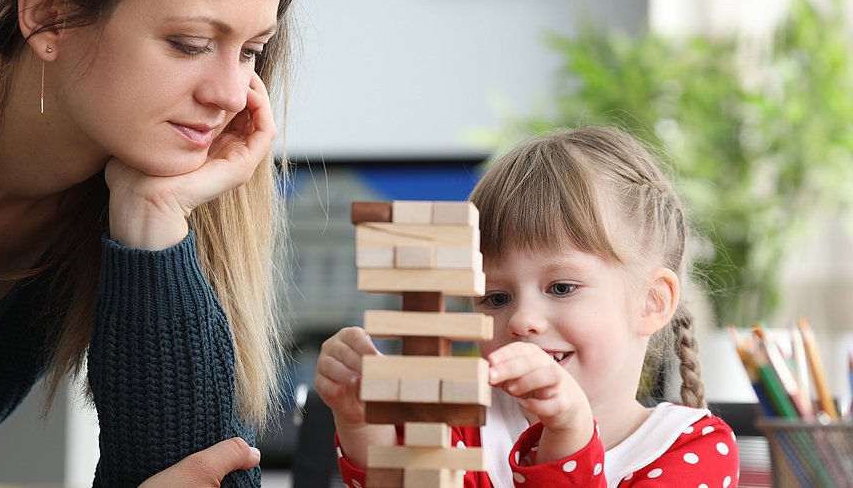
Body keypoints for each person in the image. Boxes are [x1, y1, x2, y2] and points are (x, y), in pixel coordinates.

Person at [0, 0, 301, 486]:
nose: (228, 95)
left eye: (251, 50)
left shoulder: (161, 164)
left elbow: (205, 471)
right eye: (190, 45)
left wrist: (154, 221)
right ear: (47, 16)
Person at [315, 127, 740, 487]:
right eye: (495, 298)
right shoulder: (464, 418)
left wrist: (569, 434)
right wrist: (359, 420)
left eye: (561, 287)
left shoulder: (694, 447)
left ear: (652, 302)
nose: (520, 321)